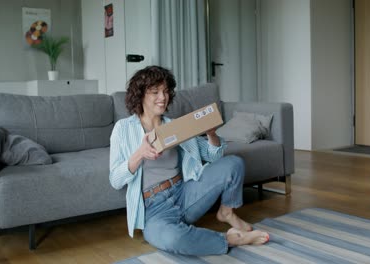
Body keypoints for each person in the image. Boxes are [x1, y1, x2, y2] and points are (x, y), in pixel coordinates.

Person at [109, 66, 269, 255]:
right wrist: (139, 154)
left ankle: (226, 212)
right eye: (155, 92)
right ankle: (229, 239)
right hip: (154, 208)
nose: (163, 97)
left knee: (234, 163)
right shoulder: (123, 128)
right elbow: (116, 180)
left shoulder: (176, 126)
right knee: (173, 239)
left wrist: (211, 134)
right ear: (141, 94)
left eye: (166, 91)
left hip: (185, 194)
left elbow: (213, 156)